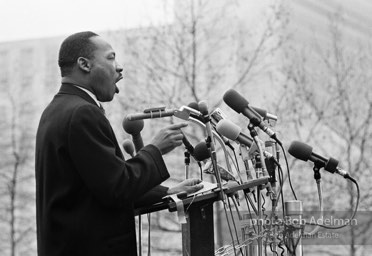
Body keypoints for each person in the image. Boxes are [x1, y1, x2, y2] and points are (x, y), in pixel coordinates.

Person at [35, 31, 203, 256]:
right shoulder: (82, 113)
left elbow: (99, 187)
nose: (120, 67)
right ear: (84, 64)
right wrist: (155, 149)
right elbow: (118, 188)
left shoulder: (56, 110)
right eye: (111, 57)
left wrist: (169, 191)